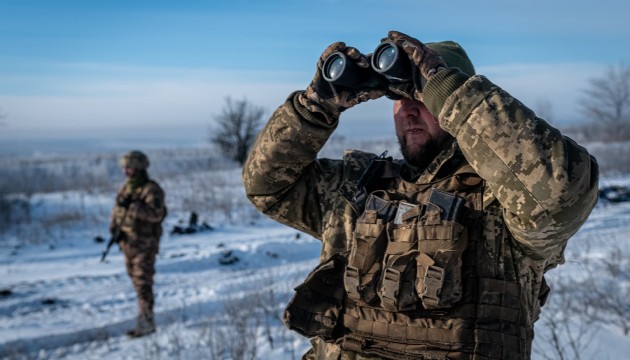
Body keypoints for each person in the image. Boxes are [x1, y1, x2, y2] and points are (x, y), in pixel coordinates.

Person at [243, 31, 599, 359]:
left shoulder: (506, 199)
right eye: (397, 98)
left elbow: (560, 193)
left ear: (452, 103)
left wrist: (448, 89)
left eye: (422, 97)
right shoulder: (357, 188)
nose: (409, 109)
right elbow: (267, 186)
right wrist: (314, 108)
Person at [110, 150, 167, 338]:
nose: (126, 172)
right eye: (125, 168)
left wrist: (134, 207)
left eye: (130, 168)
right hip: (128, 245)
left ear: (140, 168)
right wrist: (114, 229)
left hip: (145, 245)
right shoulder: (126, 188)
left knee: (143, 285)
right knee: (136, 283)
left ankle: (146, 323)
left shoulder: (151, 189)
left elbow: (157, 214)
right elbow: (117, 210)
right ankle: (145, 318)